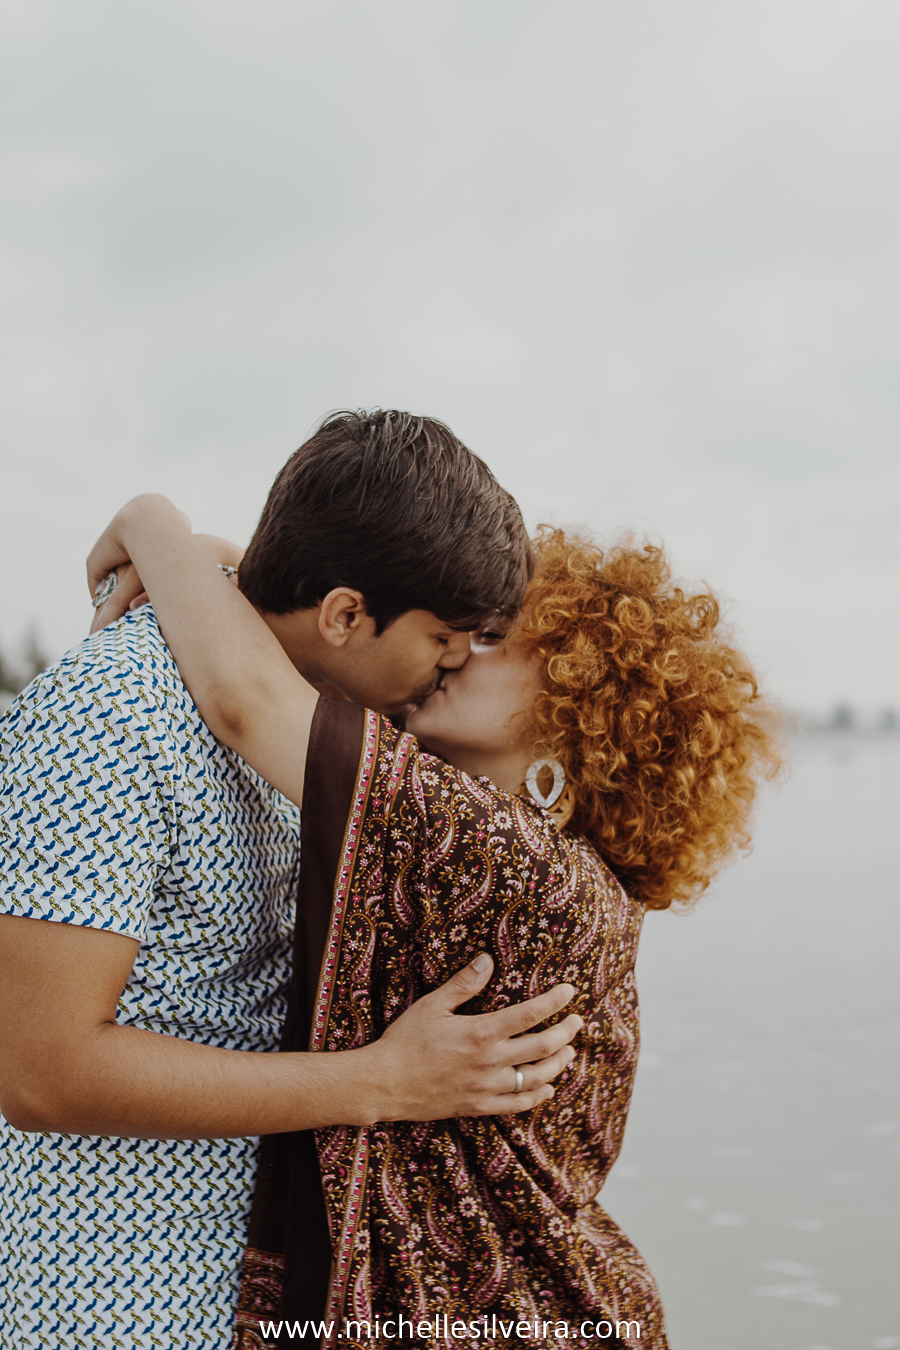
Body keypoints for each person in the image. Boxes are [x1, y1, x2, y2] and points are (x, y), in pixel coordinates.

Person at [84, 496, 782, 1350]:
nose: (454, 648)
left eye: (493, 637)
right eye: (453, 629)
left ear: (579, 700)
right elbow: (331, 635)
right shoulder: (543, 863)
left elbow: (243, 699)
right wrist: (242, 563)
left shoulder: (508, 860)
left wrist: (153, 523)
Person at [0, 411, 583, 1350]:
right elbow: (40, 1072)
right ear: (348, 614)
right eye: (445, 639)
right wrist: (377, 1082)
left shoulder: (325, 721)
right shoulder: (109, 714)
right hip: (110, 1294)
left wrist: (171, 533)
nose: (449, 670)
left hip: (262, 1292)